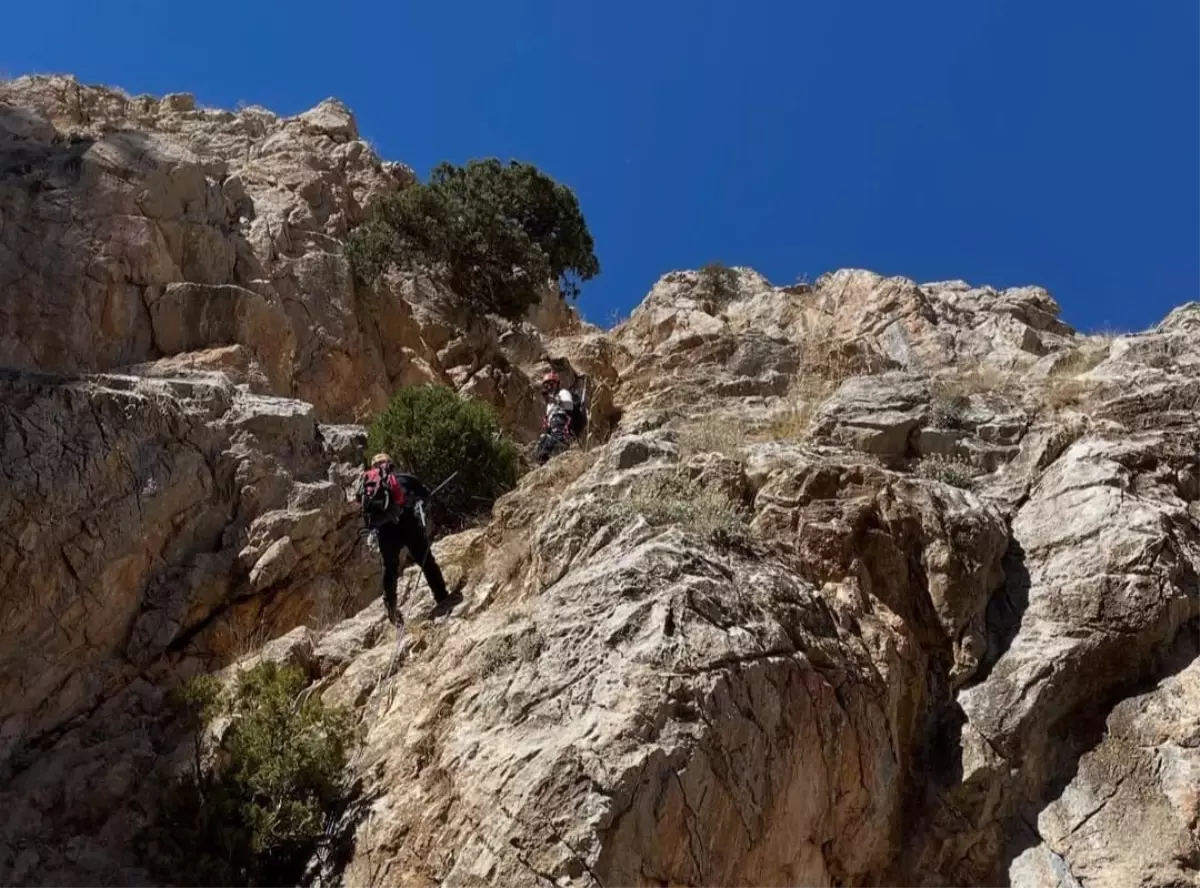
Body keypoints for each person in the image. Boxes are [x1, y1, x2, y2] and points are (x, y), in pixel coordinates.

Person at [357, 453, 460, 626]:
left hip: (385, 532)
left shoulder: (368, 485)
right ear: (391, 465)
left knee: (390, 569)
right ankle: (441, 596)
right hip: (409, 526)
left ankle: (391, 610)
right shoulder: (405, 479)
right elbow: (426, 496)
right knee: (426, 560)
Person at [537, 372, 578, 464]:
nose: (549, 387)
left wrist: (555, 401)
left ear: (557, 384)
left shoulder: (563, 393)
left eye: (551, 384)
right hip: (552, 423)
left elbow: (569, 405)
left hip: (561, 418)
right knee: (544, 440)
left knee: (558, 437)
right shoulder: (549, 402)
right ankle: (544, 460)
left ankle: (563, 452)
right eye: (546, 385)